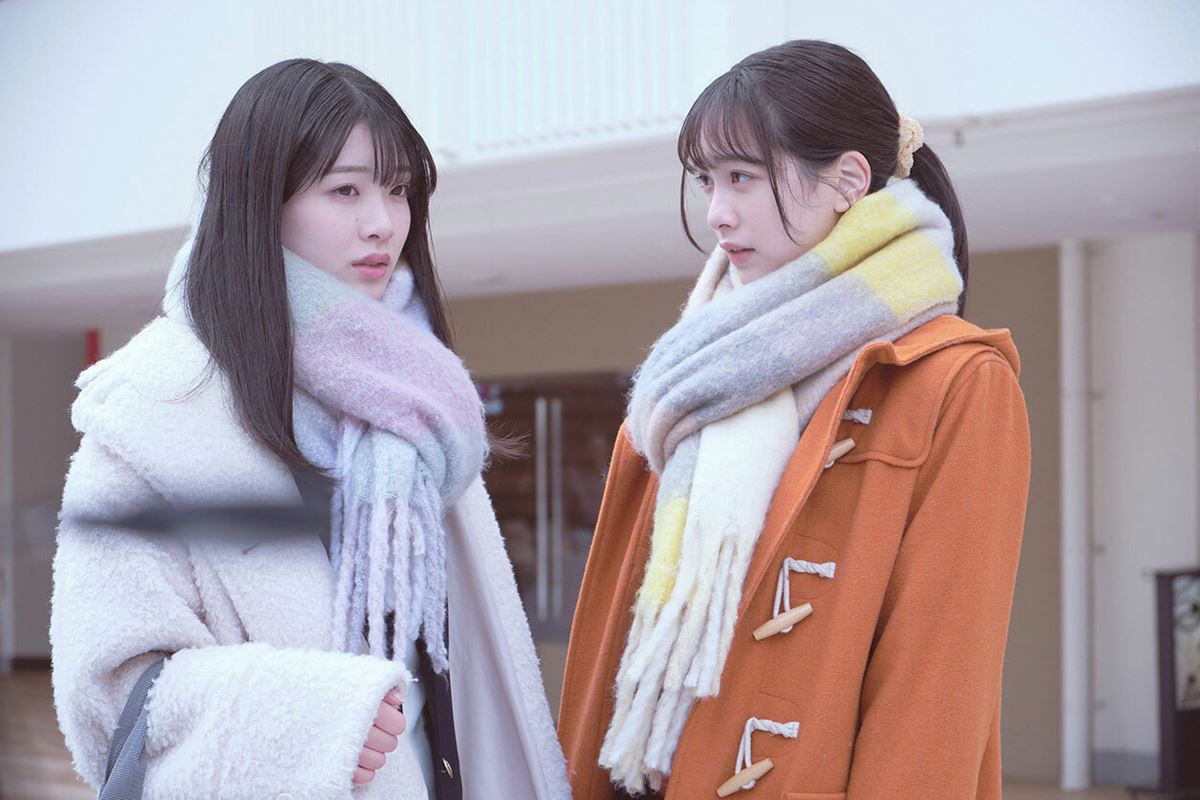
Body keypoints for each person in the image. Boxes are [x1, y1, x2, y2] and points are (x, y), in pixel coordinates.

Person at [50, 58, 569, 800]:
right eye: (345, 190)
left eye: (398, 190)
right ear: (262, 202)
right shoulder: (155, 410)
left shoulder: (418, 397)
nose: (382, 222)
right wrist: (316, 722)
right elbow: (108, 691)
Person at [557, 39, 1031, 799]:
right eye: (707, 180)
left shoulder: (956, 382)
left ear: (847, 180)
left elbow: (937, 681)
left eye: (742, 177)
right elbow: (607, 654)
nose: (717, 212)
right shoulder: (684, 382)